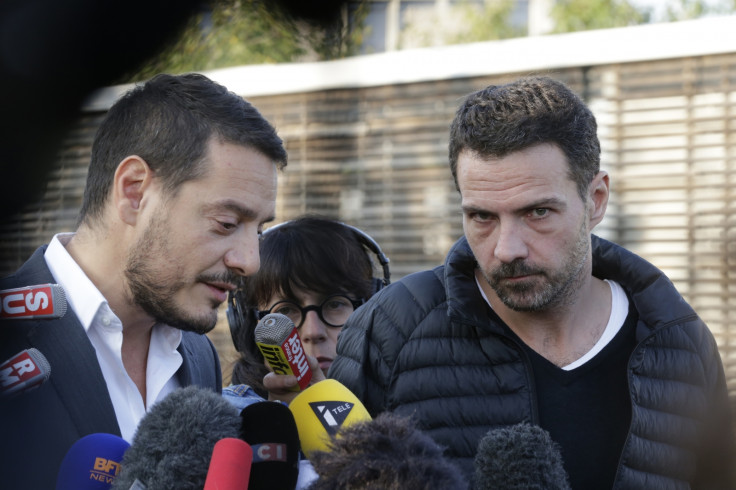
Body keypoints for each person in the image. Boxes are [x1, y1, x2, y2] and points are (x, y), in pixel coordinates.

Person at [329, 76, 736, 488]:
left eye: (537, 212)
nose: (507, 249)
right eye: (482, 217)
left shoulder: (680, 344)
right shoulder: (388, 331)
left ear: (595, 200)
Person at [0, 72, 287, 489]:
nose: (250, 261)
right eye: (227, 223)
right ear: (134, 191)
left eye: (258, 230)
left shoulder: (198, 354)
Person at [223, 215, 389, 408]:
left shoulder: (410, 407)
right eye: (285, 310)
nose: (313, 332)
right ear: (249, 323)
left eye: (335, 304)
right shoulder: (228, 422)